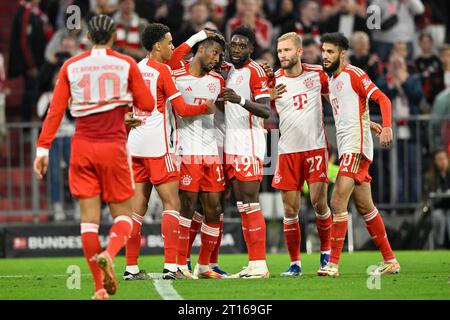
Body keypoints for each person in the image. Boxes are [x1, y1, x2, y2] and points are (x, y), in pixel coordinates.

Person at [33, 14, 155, 300]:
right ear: (114, 36)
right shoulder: (125, 64)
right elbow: (147, 103)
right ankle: (110, 254)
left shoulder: (71, 66)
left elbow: (55, 111)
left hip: (82, 147)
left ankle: (99, 289)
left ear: (88, 37)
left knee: (88, 222)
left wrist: (42, 150)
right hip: (113, 146)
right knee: (123, 215)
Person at [123, 23, 215, 281]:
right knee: (172, 204)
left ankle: (131, 268)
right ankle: (171, 266)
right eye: (170, 42)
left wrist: (126, 118)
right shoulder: (162, 71)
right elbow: (183, 110)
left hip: (135, 146)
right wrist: (205, 108)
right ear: (157, 46)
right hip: (158, 147)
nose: (173, 47)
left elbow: (123, 108)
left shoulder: (135, 69)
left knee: (137, 208)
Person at [318, 32, 400, 276]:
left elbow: (383, 99)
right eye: (323, 51)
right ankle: (390, 260)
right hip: (348, 145)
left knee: (337, 201)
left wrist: (386, 125)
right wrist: (368, 121)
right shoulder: (331, 79)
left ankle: (332, 264)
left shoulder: (354, 74)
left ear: (342, 54)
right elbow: (351, 108)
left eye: (330, 52)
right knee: (365, 206)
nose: (325, 56)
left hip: (356, 147)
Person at [269, 32, 332, 276]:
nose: (282, 55)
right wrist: (267, 99)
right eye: (279, 51)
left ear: (298, 52)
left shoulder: (317, 74)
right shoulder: (273, 80)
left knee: (319, 203)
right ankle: (295, 263)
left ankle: (326, 254)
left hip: (315, 148)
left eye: (286, 50)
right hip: (287, 152)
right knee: (289, 210)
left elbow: (335, 99)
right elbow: (259, 110)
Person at [173, 33, 227, 279]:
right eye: (213, 52)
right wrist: (200, 34)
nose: (216, 59)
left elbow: (225, 108)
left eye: (219, 55)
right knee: (186, 206)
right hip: (186, 151)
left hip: (210, 153)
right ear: (201, 49)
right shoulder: (177, 75)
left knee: (214, 209)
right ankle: (180, 263)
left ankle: (204, 265)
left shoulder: (217, 80)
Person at [222, 26, 271, 279]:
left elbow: (266, 111)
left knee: (251, 203)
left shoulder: (256, 71)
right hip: (231, 144)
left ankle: (260, 264)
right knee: (243, 206)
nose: (237, 49)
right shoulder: (228, 71)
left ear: (251, 48)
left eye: (242, 46)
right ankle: (253, 264)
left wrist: (239, 100)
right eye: (234, 45)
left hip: (249, 143)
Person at [425, 148, 450, 248]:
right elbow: (428, 195)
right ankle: (439, 245)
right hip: (438, 207)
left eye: (444, 158)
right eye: (439, 159)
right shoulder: (430, 177)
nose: (442, 162)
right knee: (438, 217)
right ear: (435, 162)